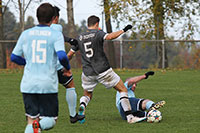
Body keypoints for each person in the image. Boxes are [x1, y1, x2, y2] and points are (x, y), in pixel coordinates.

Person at [67, 15, 146, 124]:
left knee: (87, 94)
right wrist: (124, 29)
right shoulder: (98, 34)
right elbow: (110, 37)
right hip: (103, 70)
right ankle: (130, 117)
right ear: (97, 24)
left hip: (87, 73)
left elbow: (70, 54)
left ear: (88, 24)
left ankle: (82, 106)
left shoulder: (79, 37)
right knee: (122, 89)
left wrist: (65, 62)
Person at [10, 3, 71, 133]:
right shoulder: (55, 34)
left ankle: (34, 126)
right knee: (51, 120)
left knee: (31, 120)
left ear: (37, 17)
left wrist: (27, 62)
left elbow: (14, 57)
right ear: (53, 18)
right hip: (47, 84)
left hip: (28, 84)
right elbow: (62, 56)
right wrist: (67, 68)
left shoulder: (26, 34)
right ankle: (38, 126)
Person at [50, 6, 84, 124]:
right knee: (70, 85)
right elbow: (58, 34)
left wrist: (69, 40)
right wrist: (70, 40)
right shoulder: (56, 27)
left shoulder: (40, 29)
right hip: (57, 66)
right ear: (55, 17)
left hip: (42, 67)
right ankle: (72, 115)